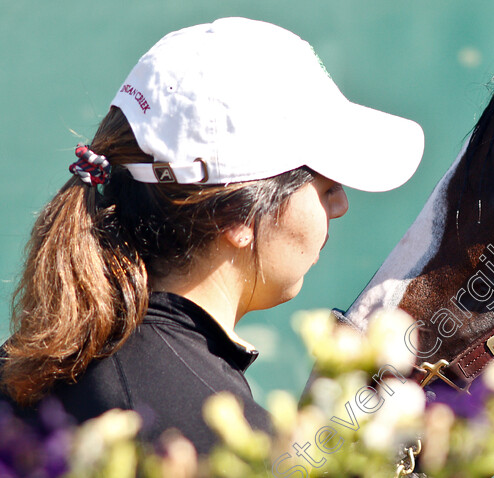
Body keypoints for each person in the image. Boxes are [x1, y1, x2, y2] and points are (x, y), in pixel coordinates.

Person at [0, 17, 423, 454]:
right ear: (234, 217)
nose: (340, 205)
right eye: (326, 184)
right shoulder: (208, 442)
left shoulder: (34, 365)